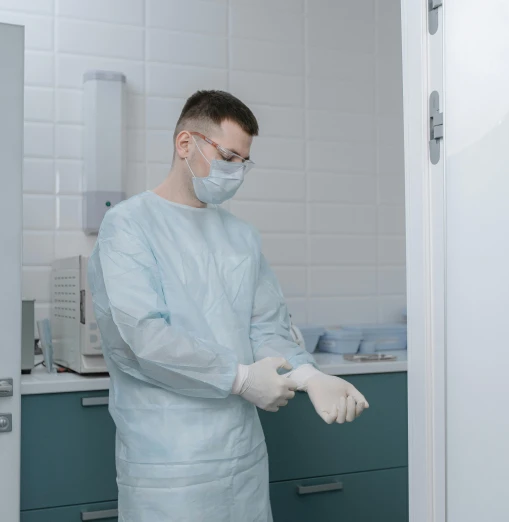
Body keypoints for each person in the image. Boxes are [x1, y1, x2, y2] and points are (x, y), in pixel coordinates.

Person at [88, 90, 369, 522]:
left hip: (241, 455)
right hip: (169, 459)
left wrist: (308, 374)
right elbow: (141, 338)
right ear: (187, 144)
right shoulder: (128, 225)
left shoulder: (241, 237)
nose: (236, 172)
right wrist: (238, 378)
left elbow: (266, 327)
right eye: (229, 158)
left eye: (244, 162)